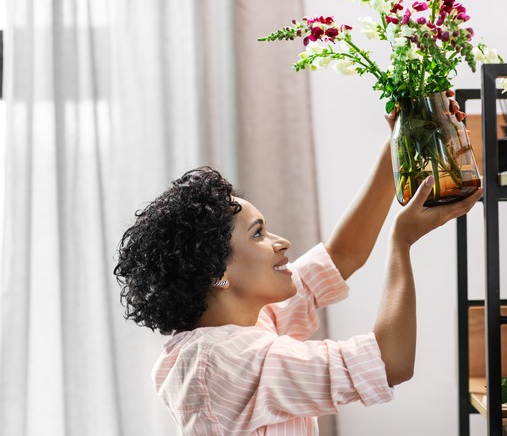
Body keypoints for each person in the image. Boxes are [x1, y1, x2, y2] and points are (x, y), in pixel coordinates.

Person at [113, 100, 481, 435]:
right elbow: (390, 363)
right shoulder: (223, 359)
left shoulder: (240, 325)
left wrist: (397, 145)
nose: (281, 242)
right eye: (258, 234)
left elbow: (341, 256)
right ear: (216, 273)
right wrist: (401, 242)